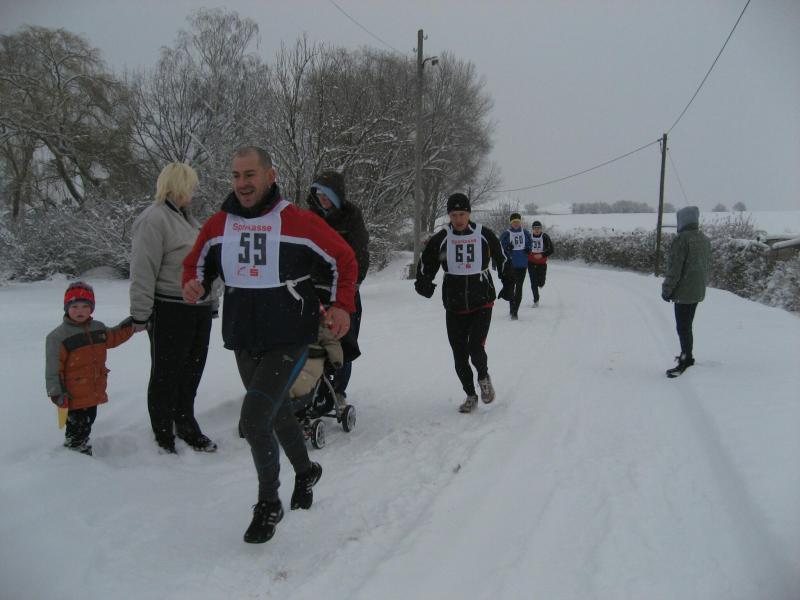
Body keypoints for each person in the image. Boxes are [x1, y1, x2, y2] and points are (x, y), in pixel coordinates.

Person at [182, 146, 357, 544]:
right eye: (236, 175)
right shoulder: (219, 225)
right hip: (243, 335)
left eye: (250, 175)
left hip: (290, 335)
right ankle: (306, 472)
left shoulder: (297, 221)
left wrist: (341, 305)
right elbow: (196, 263)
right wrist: (194, 284)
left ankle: (268, 503)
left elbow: (343, 259)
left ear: (270, 175)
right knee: (275, 413)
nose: (242, 183)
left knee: (254, 418)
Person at [130, 162, 219, 454]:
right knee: (166, 374)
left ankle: (186, 423)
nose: (193, 191)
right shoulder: (154, 220)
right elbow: (143, 270)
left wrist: (212, 301)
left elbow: (206, 265)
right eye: (190, 186)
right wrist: (140, 314)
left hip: (198, 309)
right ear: (177, 186)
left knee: (192, 371)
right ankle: (162, 433)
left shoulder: (190, 222)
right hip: (170, 309)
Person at [414, 193, 513, 413]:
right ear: (449, 216)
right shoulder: (442, 238)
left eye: (462, 214)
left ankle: (483, 378)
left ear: (469, 213)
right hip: (454, 304)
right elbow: (427, 262)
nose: (458, 219)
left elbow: (502, 258)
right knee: (459, 356)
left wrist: (508, 283)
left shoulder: (483, 234)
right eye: (453, 215)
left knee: (475, 348)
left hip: (482, 301)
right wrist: (424, 282)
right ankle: (470, 394)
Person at [45, 282, 137, 456]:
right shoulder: (58, 337)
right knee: (77, 425)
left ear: (91, 308)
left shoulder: (97, 328)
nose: (80, 311)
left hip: (93, 389)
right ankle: (74, 453)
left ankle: (80, 446)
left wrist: (130, 325)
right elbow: (53, 368)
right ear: (66, 308)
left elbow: (114, 337)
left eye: (85, 306)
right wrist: (56, 392)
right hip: (73, 394)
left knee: (88, 420)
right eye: (74, 306)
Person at [307, 170, 369, 407]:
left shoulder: (351, 217)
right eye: (319, 195)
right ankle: (313, 387)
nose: (322, 199)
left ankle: (339, 389)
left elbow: (360, 253)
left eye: (327, 195)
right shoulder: (310, 217)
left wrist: (353, 284)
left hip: (344, 289)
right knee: (312, 340)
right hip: (313, 288)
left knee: (343, 341)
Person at [662, 206, 711, 378]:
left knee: (683, 327)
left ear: (682, 220)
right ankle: (687, 355)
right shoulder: (704, 239)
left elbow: (674, 269)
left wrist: (667, 290)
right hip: (697, 290)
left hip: (684, 292)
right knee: (687, 326)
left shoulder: (682, 240)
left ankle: (686, 359)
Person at [499, 212, 533, 319]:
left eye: (518, 221)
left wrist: (528, 249)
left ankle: (515, 311)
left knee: (519, 287)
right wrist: (507, 248)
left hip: (522, 264)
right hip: (511, 265)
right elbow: (499, 247)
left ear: (520, 222)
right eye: (514, 222)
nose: (516, 223)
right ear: (511, 223)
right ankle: (512, 308)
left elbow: (530, 243)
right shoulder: (506, 234)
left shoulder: (525, 232)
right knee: (511, 288)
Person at [527, 220, 554, 306]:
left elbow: (551, 249)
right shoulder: (529, 236)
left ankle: (541, 283)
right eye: (535, 228)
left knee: (541, 282)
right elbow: (525, 247)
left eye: (538, 228)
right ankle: (536, 300)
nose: (537, 230)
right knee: (533, 283)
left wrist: (542, 255)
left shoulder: (545, 236)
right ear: (532, 229)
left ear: (541, 229)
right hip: (531, 263)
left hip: (542, 263)